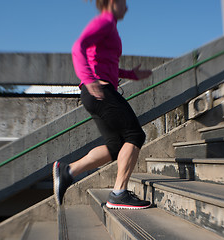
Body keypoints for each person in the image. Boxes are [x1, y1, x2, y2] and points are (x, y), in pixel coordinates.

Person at [53, 0, 152, 209]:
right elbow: (77, 47)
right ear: (113, 2)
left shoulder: (110, 26)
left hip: (95, 92)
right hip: (99, 91)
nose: (127, 7)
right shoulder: (105, 22)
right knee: (135, 135)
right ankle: (119, 193)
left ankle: (68, 171)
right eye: (124, 2)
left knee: (115, 146)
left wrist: (130, 74)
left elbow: (105, 63)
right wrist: (88, 79)